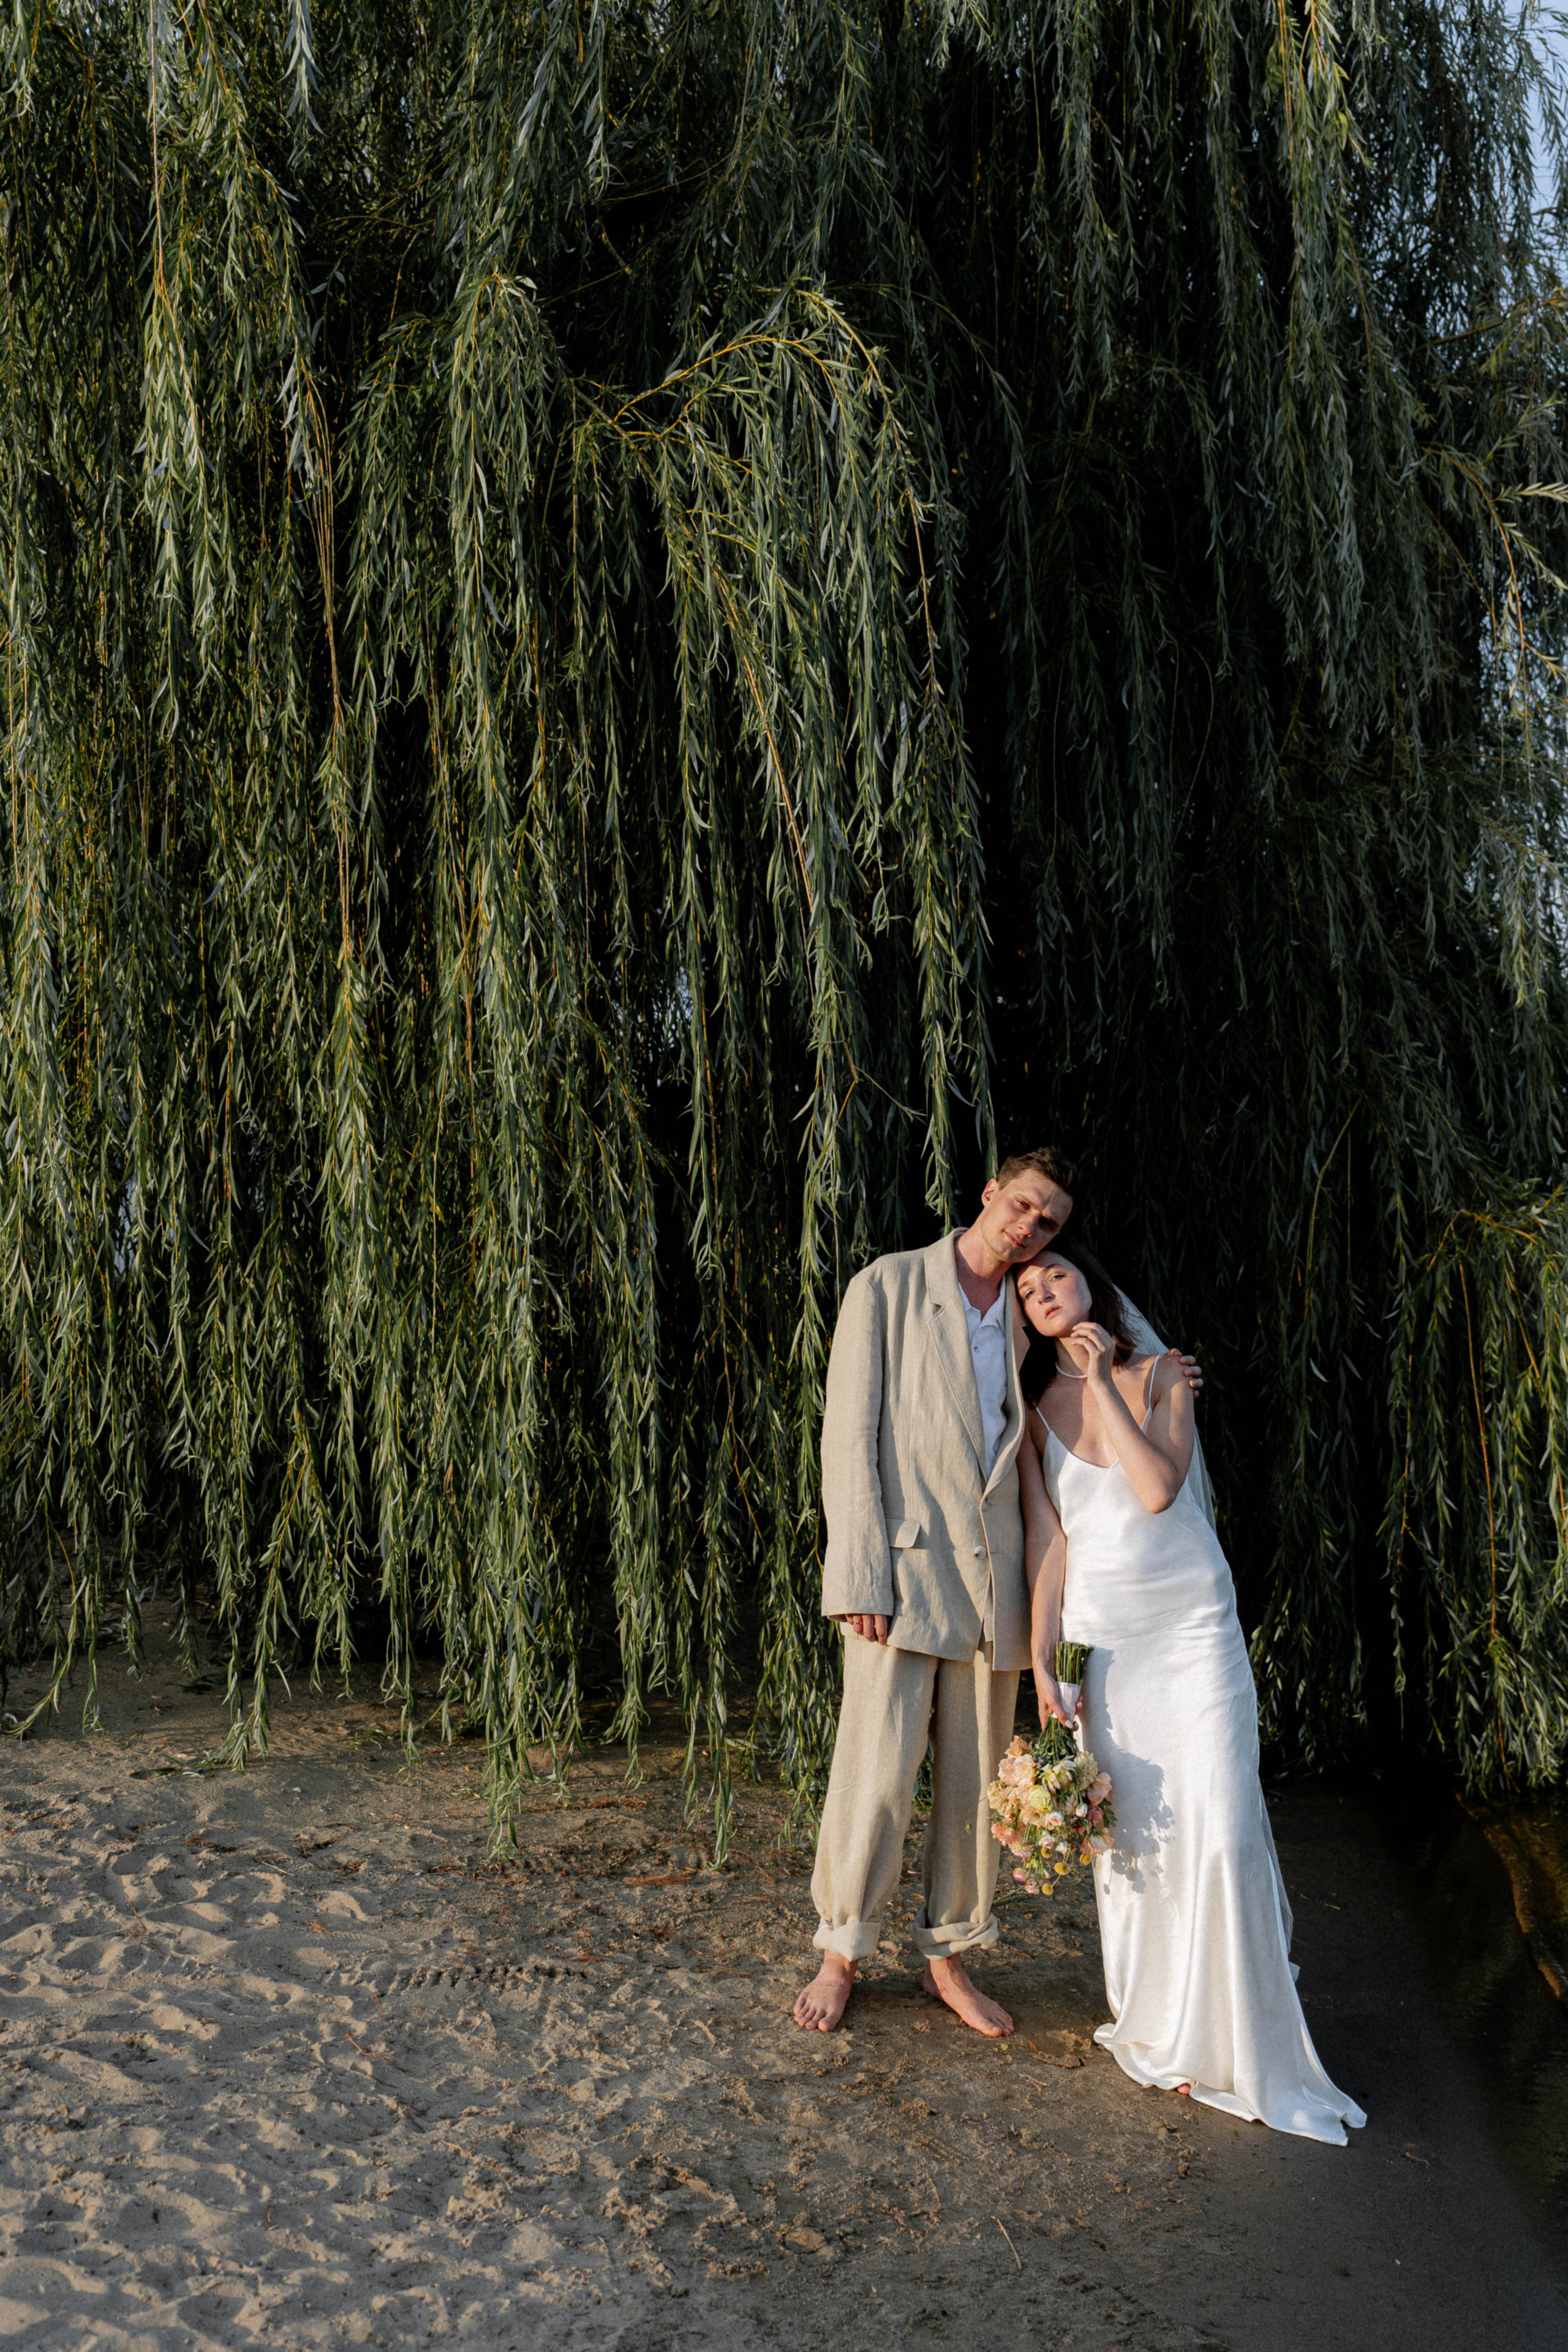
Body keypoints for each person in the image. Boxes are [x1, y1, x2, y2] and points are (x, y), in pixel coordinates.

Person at [793, 1149, 1199, 2037]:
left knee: (977, 1782)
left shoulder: (1031, 1313)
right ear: (989, 1195)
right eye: (1021, 1207)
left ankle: (950, 1956)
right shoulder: (888, 1287)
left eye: (1048, 1223)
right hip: (899, 1573)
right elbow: (847, 1433)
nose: (1028, 1229)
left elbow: (1093, 1385)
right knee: (876, 1769)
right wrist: (858, 1570)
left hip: (999, 1580)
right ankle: (842, 1949)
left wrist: (1166, 1376)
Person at [1017, 1232, 1366, 2143]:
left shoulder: (1165, 1372)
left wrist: (1104, 1382)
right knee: (1138, 1845)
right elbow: (1046, 1545)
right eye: (1025, 1288)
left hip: (1190, 1627)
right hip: (1107, 1643)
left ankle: (1236, 2035)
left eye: (1055, 1273)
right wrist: (1043, 1668)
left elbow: (1160, 1489)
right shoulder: (1031, 1411)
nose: (1043, 1290)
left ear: (1090, 1285)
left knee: (1216, 1825)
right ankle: (1165, 2029)